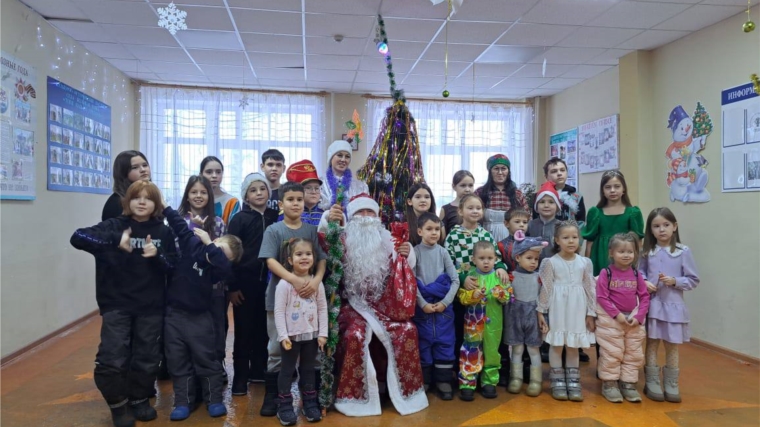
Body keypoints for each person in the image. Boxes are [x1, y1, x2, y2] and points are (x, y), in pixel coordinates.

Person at [70, 181, 176, 427]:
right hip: (117, 303)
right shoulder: (114, 226)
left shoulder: (164, 231)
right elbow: (78, 237)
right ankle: (118, 404)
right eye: (136, 197)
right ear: (127, 201)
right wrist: (115, 241)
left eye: (148, 198)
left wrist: (157, 257)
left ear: (156, 204)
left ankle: (139, 398)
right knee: (112, 357)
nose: (141, 202)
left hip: (150, 305)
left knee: (147, 357)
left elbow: (173, 267)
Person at [327, 193, 428, 417]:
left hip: (385, 306)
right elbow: (324, 243)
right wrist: (328, 220)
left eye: (369, 212)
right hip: (350, 305)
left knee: (407, 331)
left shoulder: (388, 240)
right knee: (355, 334)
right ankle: (356, 396)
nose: (365, 217)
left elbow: (405, 270)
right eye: (359, 213)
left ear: (377, 216)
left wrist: (407, 253)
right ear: (350, 217)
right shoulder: (341, 239)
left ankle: (394, 389)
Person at [162, 205, 242, 420]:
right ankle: (182, 402)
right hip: (174, 317)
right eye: (218, 246)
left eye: (223, 254)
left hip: (200, 319)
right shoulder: (191, 247)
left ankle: (213, 399)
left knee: (206, 360)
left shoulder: (215, 271)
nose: (216, 252)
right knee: (178, 362)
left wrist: (211, 244)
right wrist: (164, 207)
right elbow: (180, 227)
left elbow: (226, 269)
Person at [258, 182, 327, 417]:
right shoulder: (274, 230)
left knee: (311, 354)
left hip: (309, 303)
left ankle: (310, 399)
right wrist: (294, 280)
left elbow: (321, 260)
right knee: (278, 349)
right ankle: (274, 397)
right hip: (280, 301)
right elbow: (270, 261)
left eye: (299, 199)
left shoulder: (309, 230)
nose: (296, 203)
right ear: (281, 203)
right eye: (290, 199)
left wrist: (316, 281)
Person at [639, 208, 699, 403]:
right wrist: (644, 282)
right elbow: (639, 273)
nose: (661, 230)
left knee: (672, 346)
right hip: (653, 305)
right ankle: (652, 380)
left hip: (673, 306)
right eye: (656, 226)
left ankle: (672, 382)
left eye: (666, 225)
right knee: (652, 343)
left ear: (675, 226)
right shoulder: (647, 251)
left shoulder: (683, 251)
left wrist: (675, 281)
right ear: (651, 229)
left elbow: (693, 279)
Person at [227, 173, 279, 394]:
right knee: (244, 332)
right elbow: (230, 255)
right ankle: (240, 377)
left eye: (262, 189)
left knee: (264, 330)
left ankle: (259, 371)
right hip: (244, 285)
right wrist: (232, 287)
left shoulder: (275, 216)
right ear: (246, 196)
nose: (259, 193)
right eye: (253, 190)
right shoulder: (239, 219)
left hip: (269, 284)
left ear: (269, 192)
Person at [444, 194, 511, 362]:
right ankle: (465, 368)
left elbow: (496, 256)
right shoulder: (453, 235)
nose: (475, 211)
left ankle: (490, 368)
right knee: (465, 330)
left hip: (486, 289)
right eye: (470, 208)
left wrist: (501, 268)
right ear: (460, 211)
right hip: (464, 288)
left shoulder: (486, 235)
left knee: (488, 332)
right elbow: (448, 262)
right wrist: (463, 277)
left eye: (478, 208)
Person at [176, 176, 228, 384]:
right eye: (194, 192)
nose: (198, 196)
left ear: (210, 196)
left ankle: (217, 365)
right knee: (188, 330)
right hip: (186, 288)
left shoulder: (218, 223)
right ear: (187, 195)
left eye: (203, 192)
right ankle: (190, 370)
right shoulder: (178, 222)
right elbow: (177, 253)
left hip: (214, 288)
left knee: (215, 328)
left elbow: (222, 255)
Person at [537, 221, 597, 402]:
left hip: (577, 307)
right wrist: (541, 312)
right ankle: (557, 381)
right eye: (565, 237)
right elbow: (546, 289)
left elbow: (590, 287)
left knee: (573, 346)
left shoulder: (585, 262)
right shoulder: (550, 262)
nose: (571, 241)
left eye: (575, 237)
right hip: (558, 307)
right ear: (557, 240)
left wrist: (591, 312)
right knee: (557, 345)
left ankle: (573, 381)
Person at [274, 238, 328, 425]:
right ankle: (284, 405)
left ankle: (309, 402)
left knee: (308, 370)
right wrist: (283, 336)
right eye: (299, 254)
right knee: (287, 371)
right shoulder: (284, 285)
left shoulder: (316, 283)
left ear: (313, 257)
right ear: (290, 260)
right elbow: (279, 312)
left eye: (308, 254)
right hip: (291, 338)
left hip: (311, 337)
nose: (304, 257)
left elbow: (322, 309)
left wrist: (322, 334)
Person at [596, 232, 650, 403]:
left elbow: (644, 297)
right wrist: (617, 315)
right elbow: (602, 297)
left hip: (632, 322)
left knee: (633, 353)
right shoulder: (606, 273)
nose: (626, 255)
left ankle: (628, 383)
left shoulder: (636, 274)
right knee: (612, 352)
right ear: (611, 253)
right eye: (621, 251)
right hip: (612, 321)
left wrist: (639, 316)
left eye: (630, 251)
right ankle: (610, 383)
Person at [412, 212, 460, 400]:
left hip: (443, 310)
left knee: (445, 343)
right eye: (429, 229)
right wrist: (422, 303)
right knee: (423, 343)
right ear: (419, 231)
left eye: (437, 229)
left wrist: (445, 302)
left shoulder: (443, 252)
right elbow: (411, 282)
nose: (434, 233)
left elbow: (455, 280)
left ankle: (443, 381)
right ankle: (425, 380)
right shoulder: (415, 253)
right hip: (422, 309)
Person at [457, 241, 512, 401]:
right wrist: (471, 296)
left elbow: (509, 296)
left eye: (490, 258)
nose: (486, 261)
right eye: (482, 258)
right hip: (473, 324)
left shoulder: (499, 276)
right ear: (474, 259)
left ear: (496, 259)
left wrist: (501, 294)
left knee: (492, 351)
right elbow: (461, 296)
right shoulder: (470, 277)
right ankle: (467, 382)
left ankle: (489, 381)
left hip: (494, 324)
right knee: (470, 351)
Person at [505, 232, 547, 397]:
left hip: (533, 316)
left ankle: (536, 381)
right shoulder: (511, 277)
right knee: (516, 348)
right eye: (529, 258)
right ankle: (515, 378)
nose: (533, 262)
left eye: (536, 259)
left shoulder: (539, 278)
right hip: (514, 316)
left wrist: (543, 316)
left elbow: (543, 298)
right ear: (517, 258)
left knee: (533, 349)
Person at [581, 170, 644, 276]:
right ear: (603, 190)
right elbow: (589, 244)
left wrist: (637, 265)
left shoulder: (633, 213)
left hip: (624, 257)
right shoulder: (595, 213)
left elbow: (638, 243)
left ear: (623, 189)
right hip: (600, 256)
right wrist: (587, 267)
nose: (612, 190)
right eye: (608, 187)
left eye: (617, 186)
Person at [475, 154, 530, 242]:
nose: (500, 172)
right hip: (485, 238)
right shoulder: (480, 193)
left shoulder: (517, 194)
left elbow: (527, 217)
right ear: (490, 171)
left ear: (508, 171)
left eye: (503, 168)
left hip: (513, 239)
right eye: (496, 168)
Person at [319, 140, 368, 213]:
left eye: (347, 156)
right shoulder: (319, 184)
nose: (343, 160)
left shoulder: (360, 186)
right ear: (331, 157)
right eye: (339, 155)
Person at [534, 157, 586, 223]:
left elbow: (581, 221)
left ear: (567, 173)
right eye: (554, 171)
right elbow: (536, 221)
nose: (559, 173)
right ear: (546, 176)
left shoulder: (577, 196)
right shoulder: (540, 196)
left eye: (562, 170)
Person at [102, 150, 150, 221]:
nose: (143, 170)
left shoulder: (151, 196)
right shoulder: (116, 202)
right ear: (123, 172)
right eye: (135, 167)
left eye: (145, 165)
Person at [282, 159, 324, 225]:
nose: (313, 192)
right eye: (308, 188)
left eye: (317, 188)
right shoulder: (288, 214)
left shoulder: (325, 214)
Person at [200, 156, 240, 225]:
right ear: (201, 175)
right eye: (209, 172)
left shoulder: (232, 202)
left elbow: (234, 232)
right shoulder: (195, 199)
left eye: (218, 172)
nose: (214, 176)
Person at [527, 182, 561, 259]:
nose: (546, 205)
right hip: (533, 266)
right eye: (542, 202)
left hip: (556, 266)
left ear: (557, 206)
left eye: (551, 202)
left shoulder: (561, 226)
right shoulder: (529, 225)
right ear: (536, 206)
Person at [439, 170, 474, 236]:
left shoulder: (477, 209)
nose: (467, 189)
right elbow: (441, 235)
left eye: (470, 185)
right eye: (463, 185)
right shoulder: (446, 209)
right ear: (454, 186)